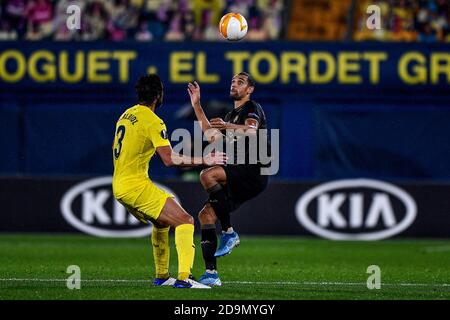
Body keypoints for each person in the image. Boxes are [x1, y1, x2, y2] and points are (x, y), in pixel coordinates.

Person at [112, 74, 226, 289]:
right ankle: (184, 278)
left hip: (120, 184)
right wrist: (205, 160)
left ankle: (162, 275)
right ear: (158, 96)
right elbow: (169, 159)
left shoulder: (127, 114)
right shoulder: (153, 121)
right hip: (135, 185)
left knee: (162, 222)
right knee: (185, 220)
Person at [187, 72, 269, 286]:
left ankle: (229, 232)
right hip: (239, 174)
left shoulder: (252, 108)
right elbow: (211, 135)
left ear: (250, 89)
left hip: (254, 170)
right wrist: (197, 105)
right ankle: (212, 274)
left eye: (240, 82)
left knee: (208, 174)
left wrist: (226, 126)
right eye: (232, 81)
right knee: (205, 215)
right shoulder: (233, 115)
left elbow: (252, 132)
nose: (234, 84)